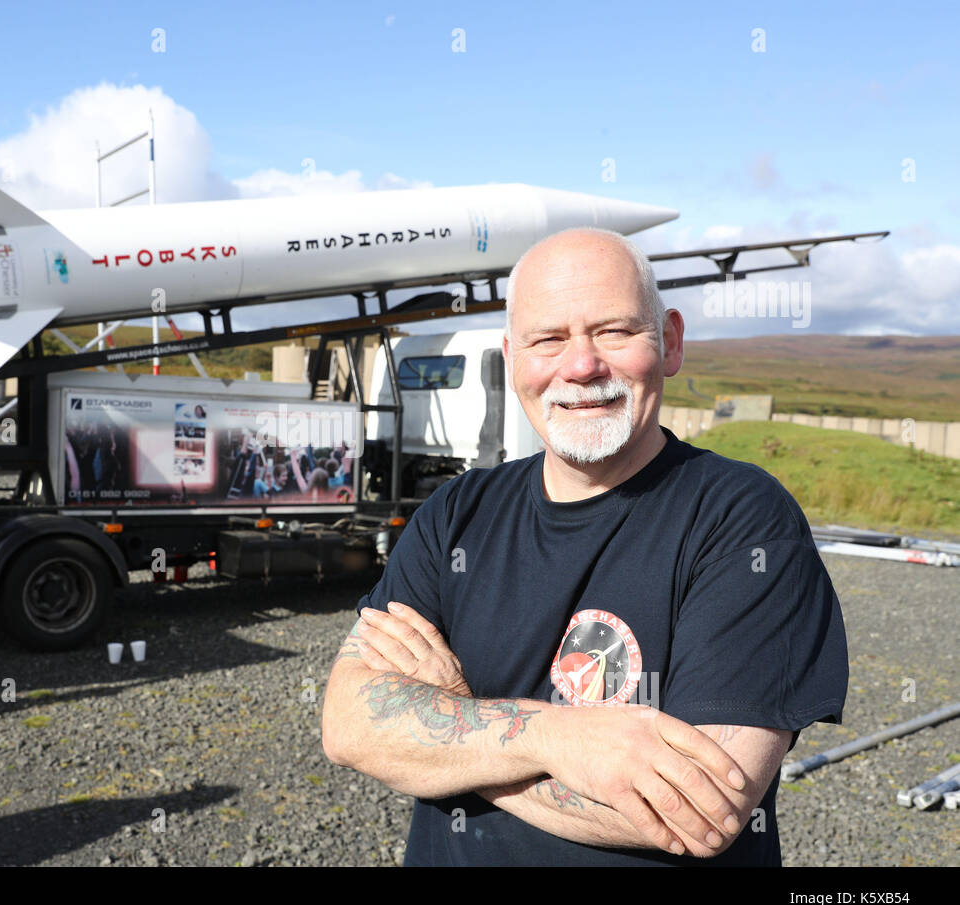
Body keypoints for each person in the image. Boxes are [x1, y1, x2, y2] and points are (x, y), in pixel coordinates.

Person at [321, 227, 848, 866]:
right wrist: (553, 738)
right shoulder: (454, 514)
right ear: (514, 358)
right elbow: (350, 724)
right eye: (549, 339)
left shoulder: (742, 520)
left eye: (615, 332)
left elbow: (701, 810)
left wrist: (453, 722)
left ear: (671, 342)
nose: (580, 366)